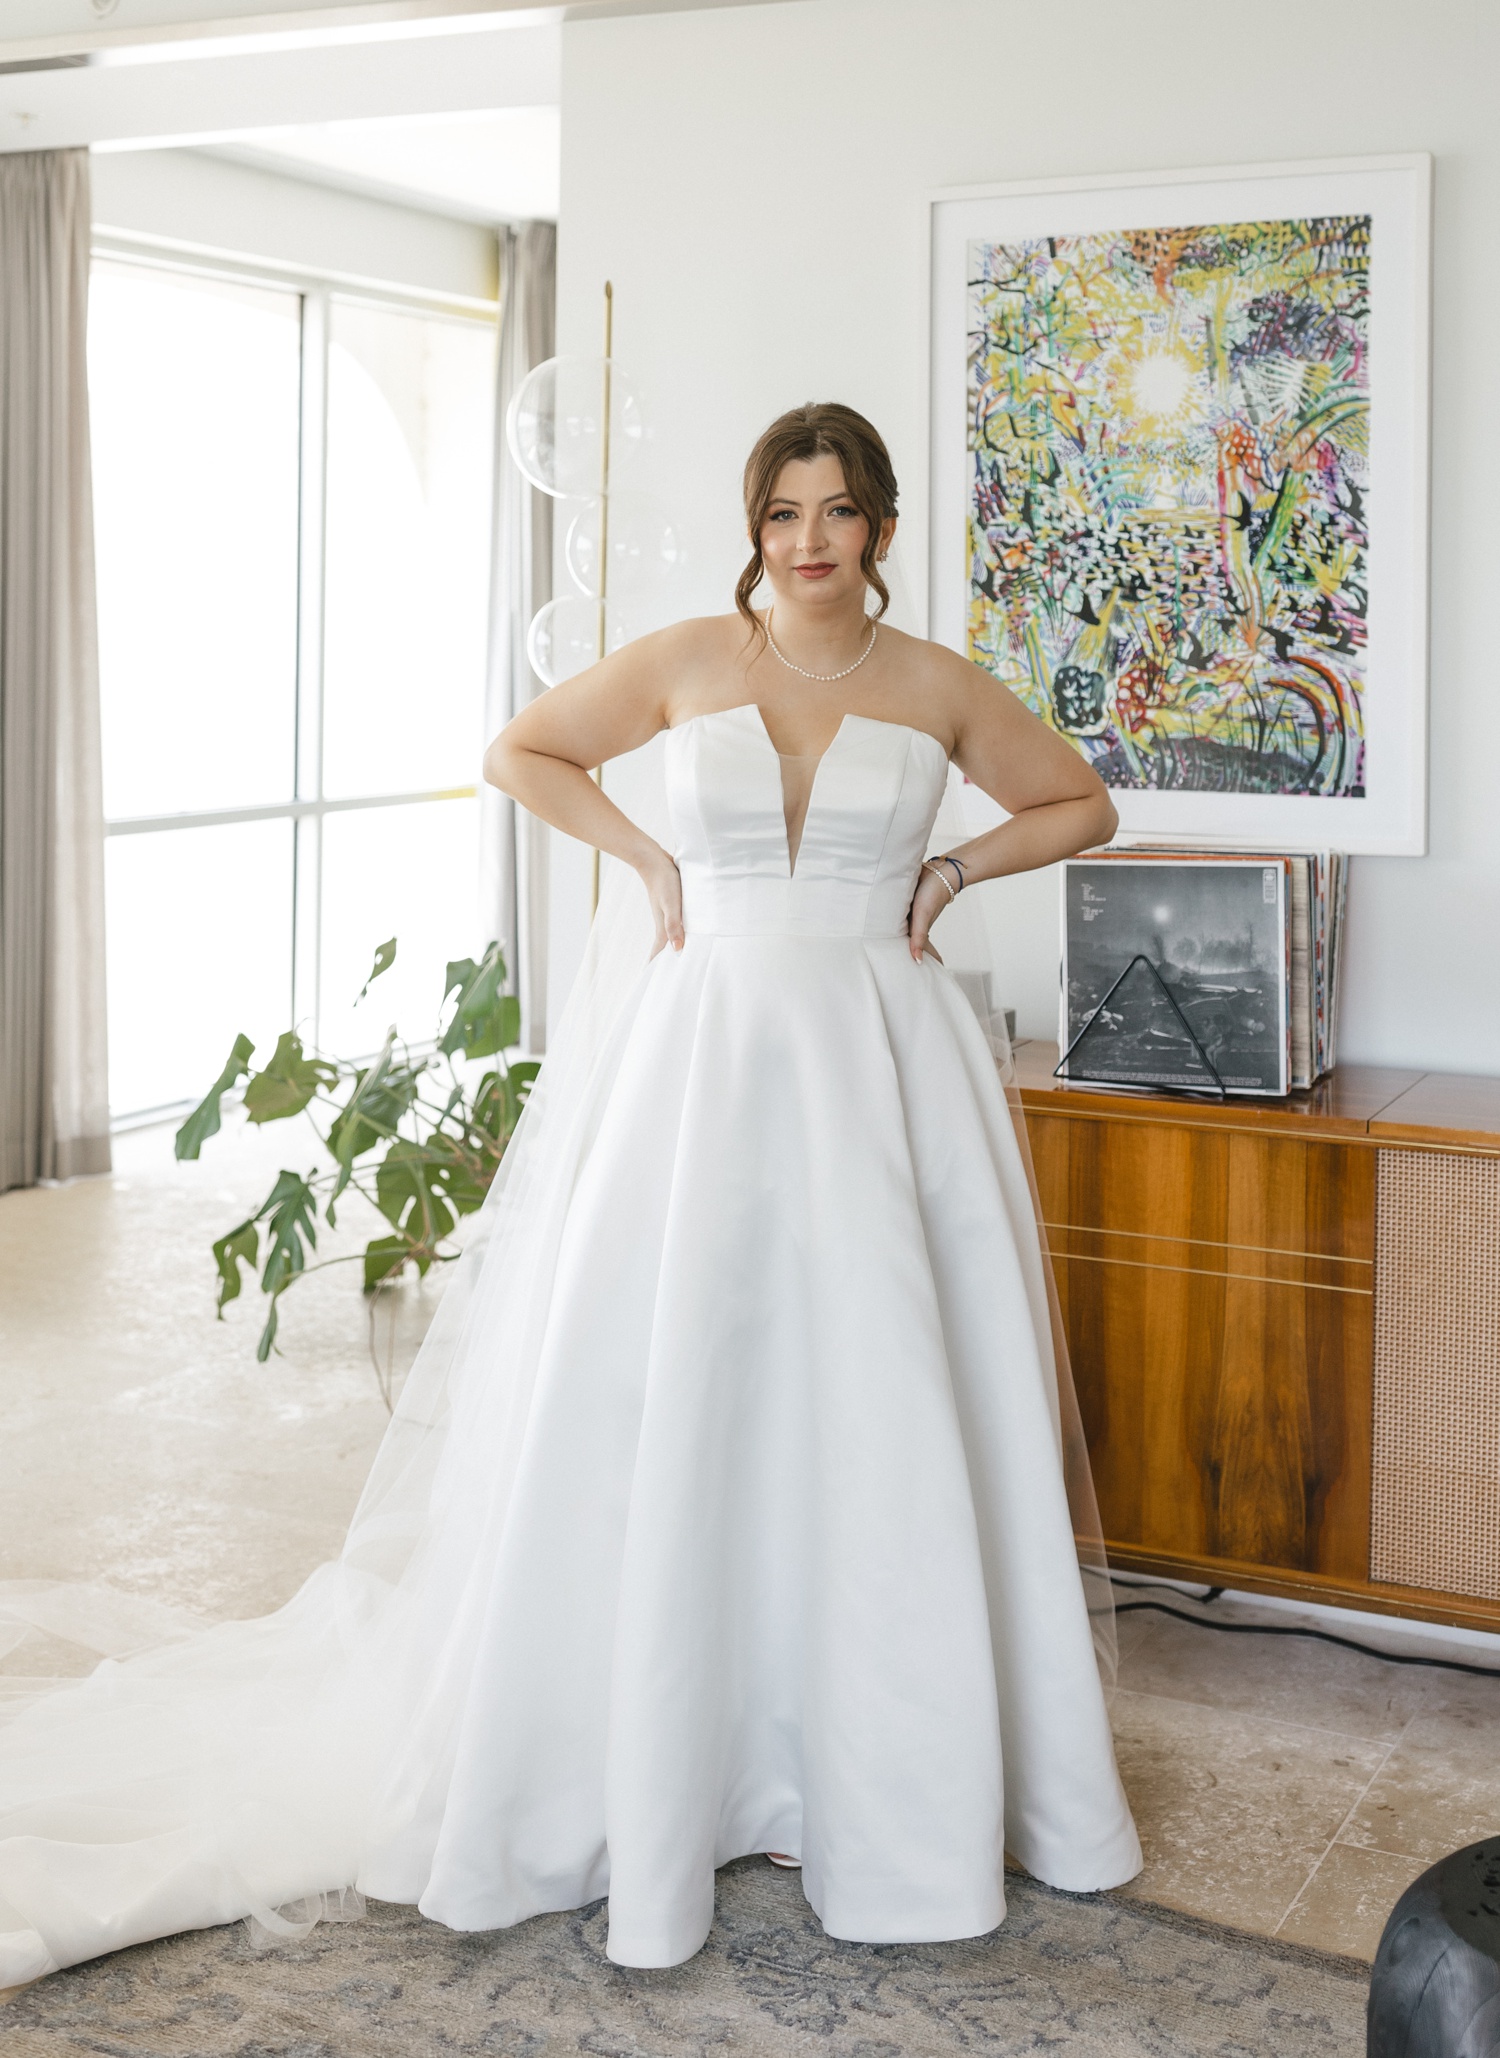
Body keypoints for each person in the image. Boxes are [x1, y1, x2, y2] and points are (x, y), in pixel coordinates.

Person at [0, 402, 1138, 1994]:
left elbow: (1083, 803)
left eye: (838, 512)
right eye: (784, 512)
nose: (808, 541)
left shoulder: (936, 684)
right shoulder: (686, 658)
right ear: (759, 525)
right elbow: (521, 750)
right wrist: (652, 864)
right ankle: (661, 1753)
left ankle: (871, 1770)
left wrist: (944, 876)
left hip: (880, 1066)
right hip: (709, 1059)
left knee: (877, 1404)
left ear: (880, 525)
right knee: (673, 1388)